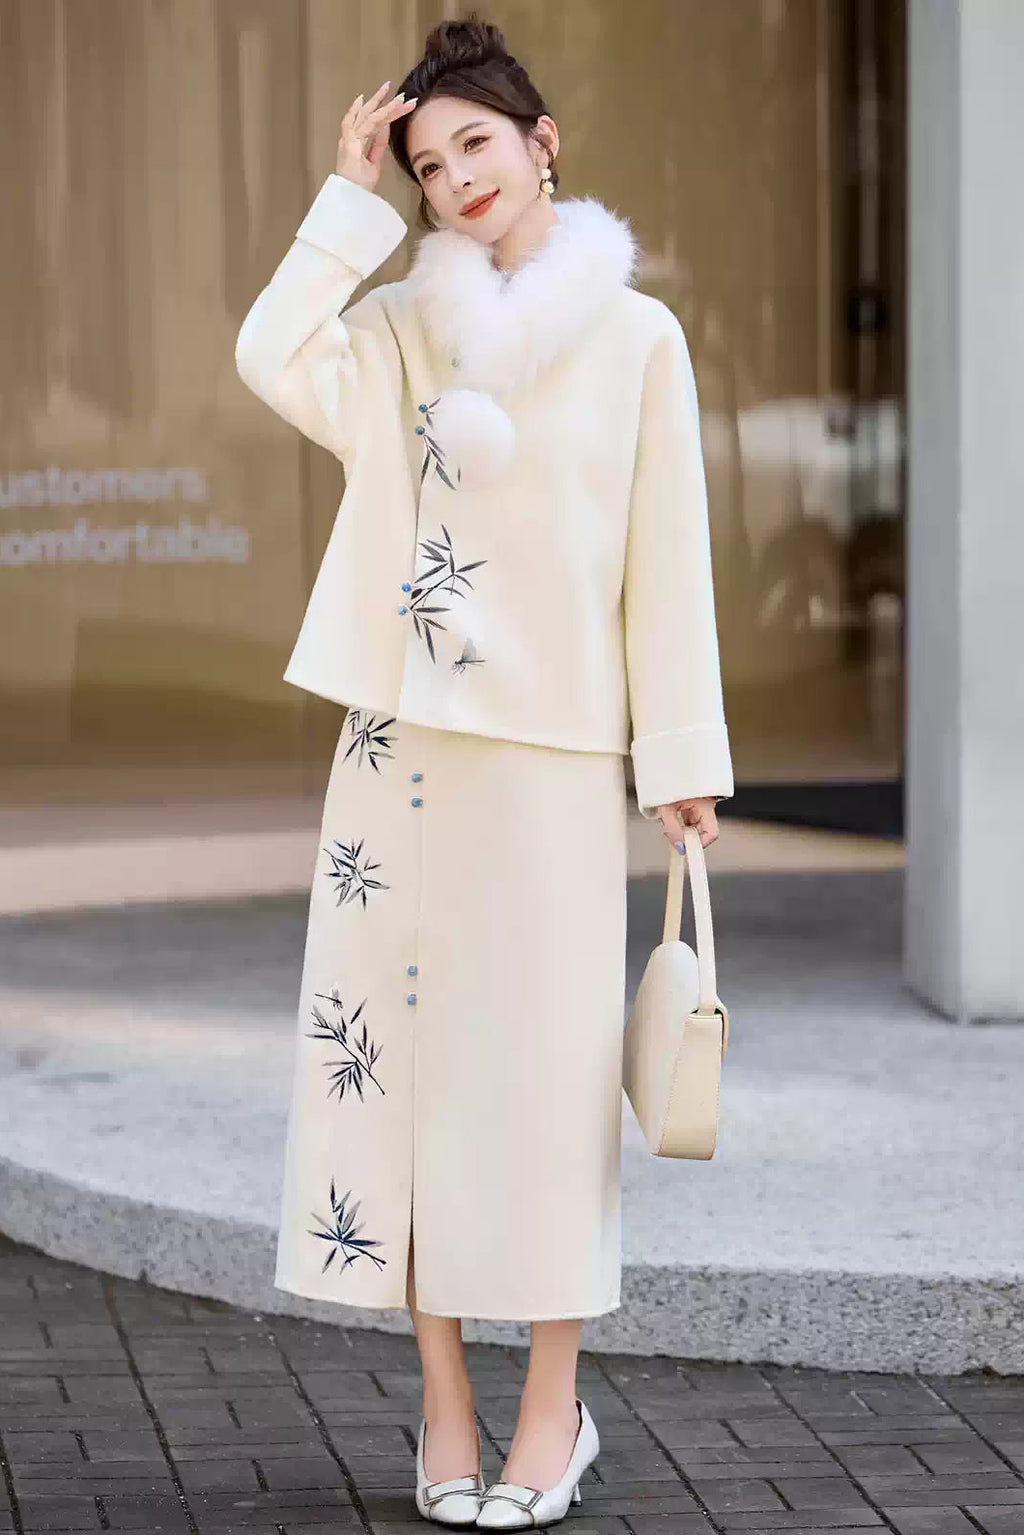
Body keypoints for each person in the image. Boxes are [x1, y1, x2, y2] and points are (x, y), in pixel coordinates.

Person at [235, 14, 733, 1528]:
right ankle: (443, 1407)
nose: (454, 178)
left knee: (544, 1101)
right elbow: (267, 354)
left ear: (544, 144)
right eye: (426, 157)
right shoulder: (393, 332)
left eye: (476, 146)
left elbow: (671, 564)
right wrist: (347, 201)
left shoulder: (640, 338)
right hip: (399, 758)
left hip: (559, 769)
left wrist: (682, 756)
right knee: (410, 1096)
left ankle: (552, 1414)